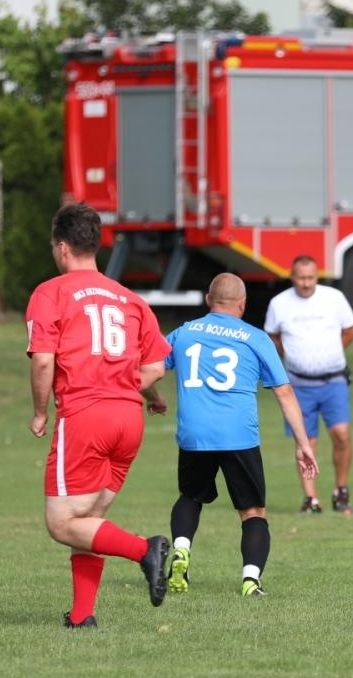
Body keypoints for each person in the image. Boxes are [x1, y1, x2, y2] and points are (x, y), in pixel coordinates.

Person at [26, 201, 173, 628]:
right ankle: (81, 616)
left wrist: (39, 412)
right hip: (128, 418)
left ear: (62, 247)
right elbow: (153, 365)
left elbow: (42, 361)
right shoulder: (128, 298)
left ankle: (146, 550)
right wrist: (152, 396)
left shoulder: (50, 293)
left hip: (86, 415)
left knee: (61, 522)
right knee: (88, 520)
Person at [144, 274, 319, 597]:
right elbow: (284, 392)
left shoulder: (184, 332)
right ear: (243, 304)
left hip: (194, 435)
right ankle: (250, 580)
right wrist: (303, 443)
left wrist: (154, 398)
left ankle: (181, 549)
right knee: (252, 511)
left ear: (209, 300)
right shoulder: (255, 337)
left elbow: (146, 370)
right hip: (239, 435)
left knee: (191, 497)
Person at [264, 256, 353, 514]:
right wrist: (289, 354)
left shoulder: (334, 298)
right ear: (292, 276)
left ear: (317, 276)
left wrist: (332, 351)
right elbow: (272, 336)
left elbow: (352, 329)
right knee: (307, 442)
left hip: (333, 380)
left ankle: (341, 490)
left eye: (311, 277)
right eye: (301, 278)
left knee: (341, 435)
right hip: (298, 384)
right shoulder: (279, 303)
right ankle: (310, 498)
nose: (306, 283)